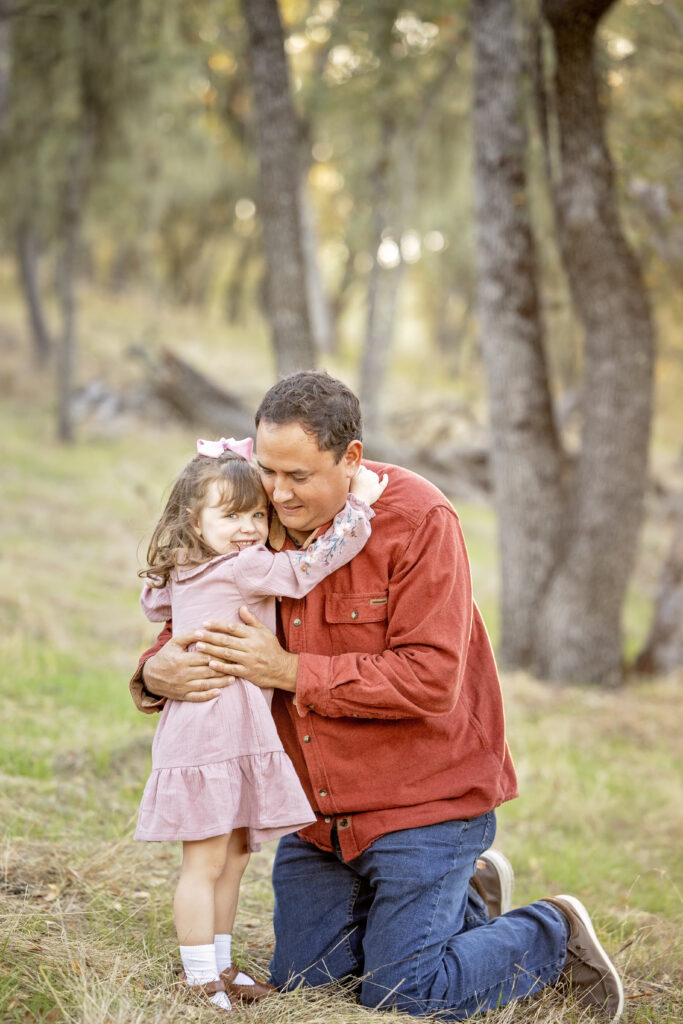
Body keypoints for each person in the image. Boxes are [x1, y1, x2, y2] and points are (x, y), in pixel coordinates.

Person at [130, 372, 624, 1022]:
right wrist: (153, 674)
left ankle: (551, 935)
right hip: (318, 815)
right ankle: (460, 905)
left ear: (351, 460)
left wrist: (288, 671)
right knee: (307, 987)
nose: (277, 494)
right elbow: (193, 610)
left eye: (298, 476)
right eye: (268, 470)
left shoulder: (418, 521)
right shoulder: (254, 517)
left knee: (402, 996)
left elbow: (428, 678)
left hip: (421, 804)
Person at [134, 434, 387, 1012]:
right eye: (230, 515)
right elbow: (308, 568)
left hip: (226, 729)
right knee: (205, 862)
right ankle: (199, 977)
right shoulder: (244, 567)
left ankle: (221, 966)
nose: (249, 527)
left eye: (255, 514)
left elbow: (157, 608)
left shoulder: (184, 568)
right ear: (193, 521)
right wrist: (360, 507)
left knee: (233, 856)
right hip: (215, 730)